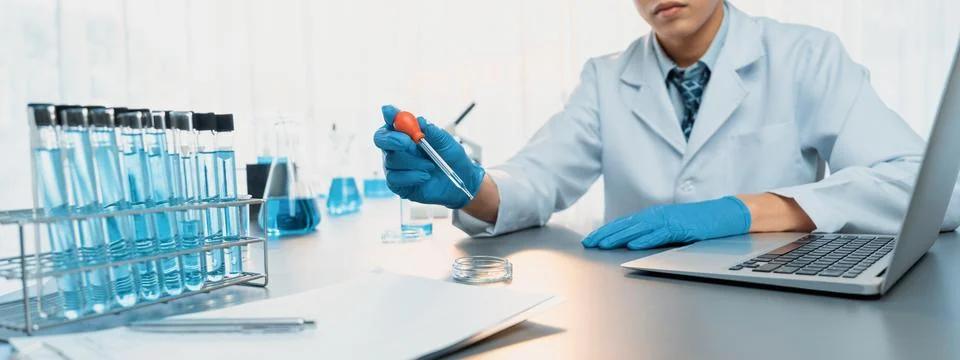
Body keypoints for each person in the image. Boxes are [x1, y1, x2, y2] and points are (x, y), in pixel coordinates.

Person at [373, 0, 960, 250]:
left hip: (778, 307)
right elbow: (539, 178)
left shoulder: (806, 56)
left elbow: (933, 188)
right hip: (641, 309)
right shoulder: (605, 78)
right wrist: (473, 188)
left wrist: (745, 210)